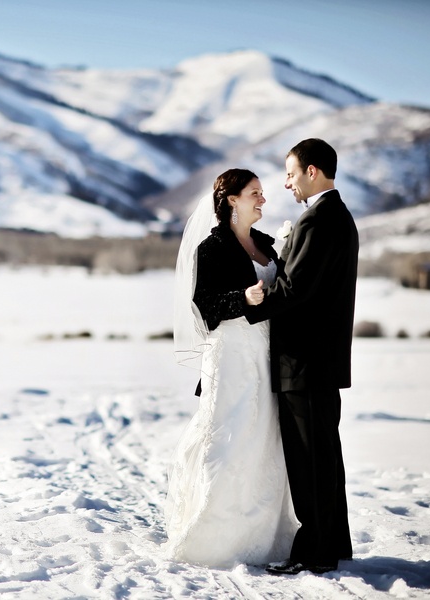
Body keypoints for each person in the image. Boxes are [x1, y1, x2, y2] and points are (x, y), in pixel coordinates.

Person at [165, 168, 298, 569]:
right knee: (230, 436)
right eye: (255, 193)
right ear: (232, 200)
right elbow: (204, 306)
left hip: (266, 356)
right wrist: (243, 297)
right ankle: (214, 536)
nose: (263, 199)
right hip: (231, 356)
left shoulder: (265, 245)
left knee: (263, 439)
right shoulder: (211, 247)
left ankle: (266, 535)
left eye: (262, 193)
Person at [245, 138, 358, 575]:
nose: (286, 183)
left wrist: (251, 306)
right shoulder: (335, 216)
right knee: (325, 456)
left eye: (291, 173)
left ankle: (315, 553)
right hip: (320, 361)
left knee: (310, 461)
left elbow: (295, 290)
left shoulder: (318, 221)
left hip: (305, 361)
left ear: (313, 172)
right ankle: (334, 544)